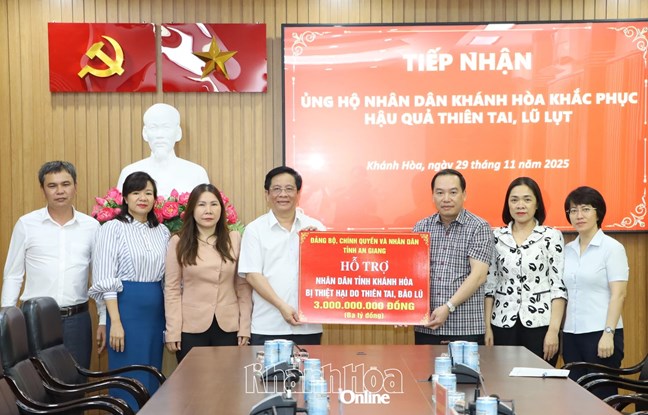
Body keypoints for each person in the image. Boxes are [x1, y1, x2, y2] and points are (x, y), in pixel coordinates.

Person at [2, 161, 102, 369]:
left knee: (77, 380)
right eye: (52, 185)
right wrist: (6, 321)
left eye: (65, 184)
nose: (60, 191)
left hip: (77, 321)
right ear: (43, 190)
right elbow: (13, 275)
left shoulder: (92, 227)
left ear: (75, 186)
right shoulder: (26, 224)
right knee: (34, 382)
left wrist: (103, 319)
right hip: (34, 320)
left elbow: (99, 277)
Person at [89, 171, 170, 409]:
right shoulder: (111, 229)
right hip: (125, 310)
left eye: (148, 193)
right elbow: (106, 277)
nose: (142, 198)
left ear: (155, 198)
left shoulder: (162, 232)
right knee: (127, 376)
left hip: (155, 313)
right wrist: (114, 322)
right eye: (136, 192)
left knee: (151, 372)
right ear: (125, 198)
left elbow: (167, 279)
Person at [164, 184, 253, 362]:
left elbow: (243, 286)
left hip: (228, 326)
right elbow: (172, 289)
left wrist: (244, 326)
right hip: (191, 327)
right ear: (192, 209)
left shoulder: (234, 238)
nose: (208, 211)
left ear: (221, 209)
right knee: (192, 378)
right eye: (201, 205)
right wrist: (172, 331)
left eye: (214, 204)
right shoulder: (178, 241)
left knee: (226, 377)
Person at [484, 177, 567, 366]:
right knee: (503, 378)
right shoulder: (496, 236)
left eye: (527, 199)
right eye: (514, 200)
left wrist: (554, 331)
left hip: (541, 324)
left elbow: (558, 286)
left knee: (539, 380)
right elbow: (490, 285)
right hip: (502, 323)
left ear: (537, 204)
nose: (520, 205)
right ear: (508, 205)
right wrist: (487, 327)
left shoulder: (551, 236)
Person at [238, 166, 325, 345]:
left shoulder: (316, 228)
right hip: (267, 326)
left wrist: (316, 246)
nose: (283, 194)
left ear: (298, 194)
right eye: (277, 189)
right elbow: (253, 275)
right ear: (267, 194)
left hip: (308, 325)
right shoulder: (255, 230)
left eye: (289, 189)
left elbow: (327, 273)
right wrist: (282, 306)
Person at [412, 169, 494, 345]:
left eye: (453, 192)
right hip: (426, 326)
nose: (446, 198)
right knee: (424, 365)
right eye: (440, 192)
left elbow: (479, 276)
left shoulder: (479, 227)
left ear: (464, 195)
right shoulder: (421, 227)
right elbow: (413, 274)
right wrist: (404, 311)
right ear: (432, 196)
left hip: (465, 328)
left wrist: (448, 307)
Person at [562, 186, 628, 399]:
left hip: (601, 333)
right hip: (571, 334)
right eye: (573, 210)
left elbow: (619, 294)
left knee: (602, 398)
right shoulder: (567, 250)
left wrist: (608, 333)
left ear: (598, 213)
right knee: (575, 398)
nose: (579, 215)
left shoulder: (612, 248)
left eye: (585, 209)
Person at [117, 103, 209, 196]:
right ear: (145, 133)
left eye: (166, 127)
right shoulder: (129, 172)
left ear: (178, 133)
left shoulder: (196, 173)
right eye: (153, 127)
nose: (160, 135)